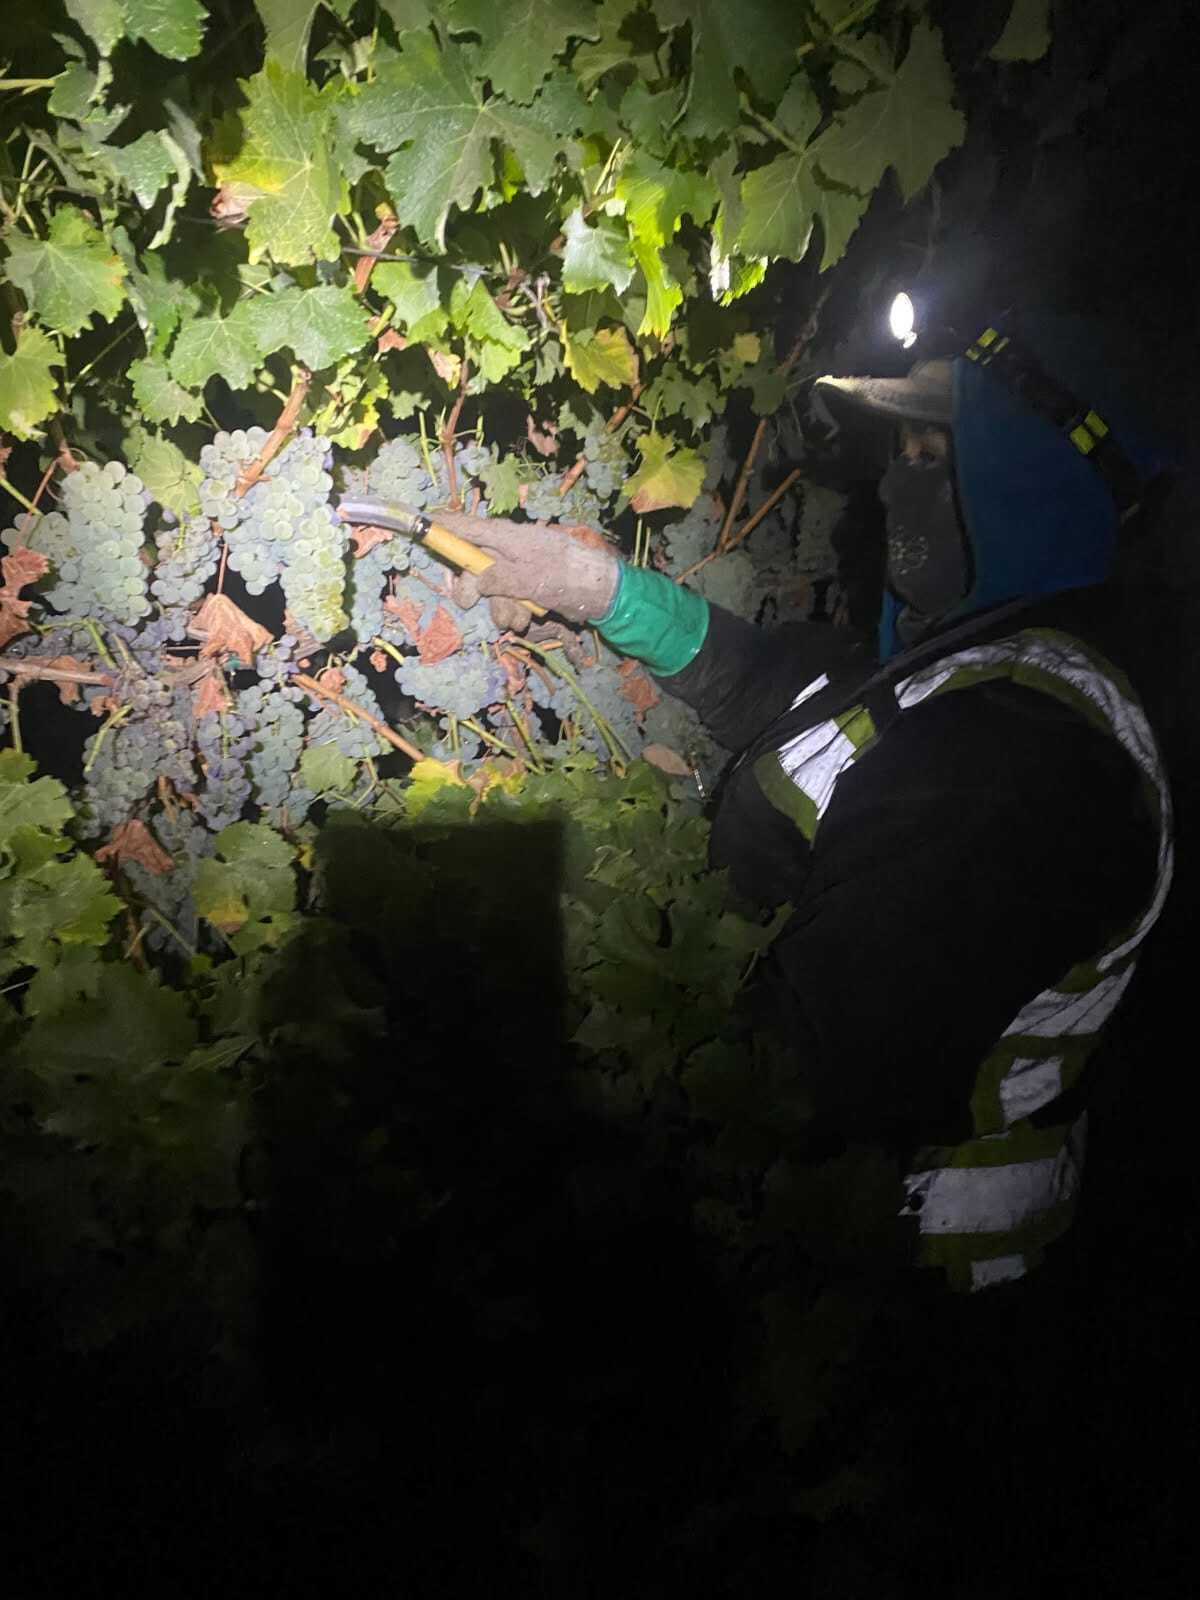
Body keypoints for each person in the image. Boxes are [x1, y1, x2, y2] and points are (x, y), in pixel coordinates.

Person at [346, 312, 1178, 1292]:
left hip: (893, 1292)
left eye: (924, 452)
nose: (887, 480)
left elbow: (786, 1080)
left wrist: (512, 1103)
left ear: (1021, 485)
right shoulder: (976, 674)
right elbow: (782, 697)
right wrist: (594, 587)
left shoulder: (1023, 772)